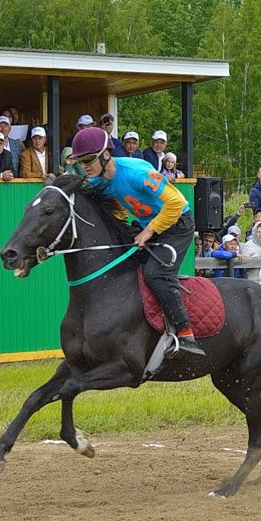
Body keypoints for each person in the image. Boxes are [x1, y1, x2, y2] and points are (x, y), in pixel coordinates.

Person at [68, 126, 205, 357]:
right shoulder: (101, 180)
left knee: (156, 274)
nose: (85, 166)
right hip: (148, 225)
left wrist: (149, 231)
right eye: (80, 162)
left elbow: (176, 203)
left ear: (106, 155)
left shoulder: (135, 172)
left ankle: (185, 334)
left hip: (177, 223)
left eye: (89, 160)